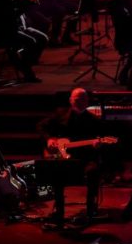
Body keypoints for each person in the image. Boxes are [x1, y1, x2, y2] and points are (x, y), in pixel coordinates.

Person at [37, 88, 107, 227]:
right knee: (56, 171)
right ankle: (59, 211)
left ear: (87, 101)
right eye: (76, 99)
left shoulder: (94, 120)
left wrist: (97, 144)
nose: (79, 102)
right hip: (63, 158)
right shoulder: (60, 115)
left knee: (93, 171)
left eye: (82, 99)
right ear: (70, 100)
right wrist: (50, 139)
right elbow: (41, 126)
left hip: (84, 158)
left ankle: (90, 209)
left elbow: (99, 138)